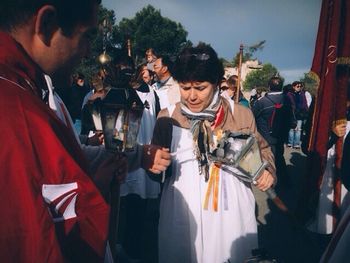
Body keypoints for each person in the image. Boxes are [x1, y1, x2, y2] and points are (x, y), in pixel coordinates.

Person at [0, 1, 170, 262]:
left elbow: (54, 163)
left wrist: (125, 159)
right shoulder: (14, 110)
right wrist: (89, 189)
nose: (89, 52)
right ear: (46, 25)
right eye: (86, 36)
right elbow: (33, 239)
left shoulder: (34, 90)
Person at [149, 43, 276, 263]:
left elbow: (263, 151)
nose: (191, 96)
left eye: (200, 88)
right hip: (183, 212)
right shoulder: (166, 118)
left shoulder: (241, 115)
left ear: (217, 84)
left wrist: (267, 171)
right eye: (185, 87)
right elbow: (155, 168)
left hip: (231, 211)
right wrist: (152, 164)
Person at [252, 76, 295, 185]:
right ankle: (282, 180)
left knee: (270, 159)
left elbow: (252, 116)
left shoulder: (262, 102)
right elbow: (291, 116)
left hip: (266, 136)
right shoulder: (287, 100)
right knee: (279, 156)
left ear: (269, 86)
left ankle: (277, 181)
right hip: (281, 135)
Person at [287, 81, 309, 149]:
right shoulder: (289, 94)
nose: (299, 88)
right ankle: (290, 143)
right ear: (293, 87)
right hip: (292, 114)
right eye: (297, 86)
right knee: (291, 129)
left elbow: (305, 104)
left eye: (300, 86)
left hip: (300, 114)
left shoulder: (302, 94)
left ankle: (296, 144)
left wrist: (305, 111)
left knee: (298, 129)